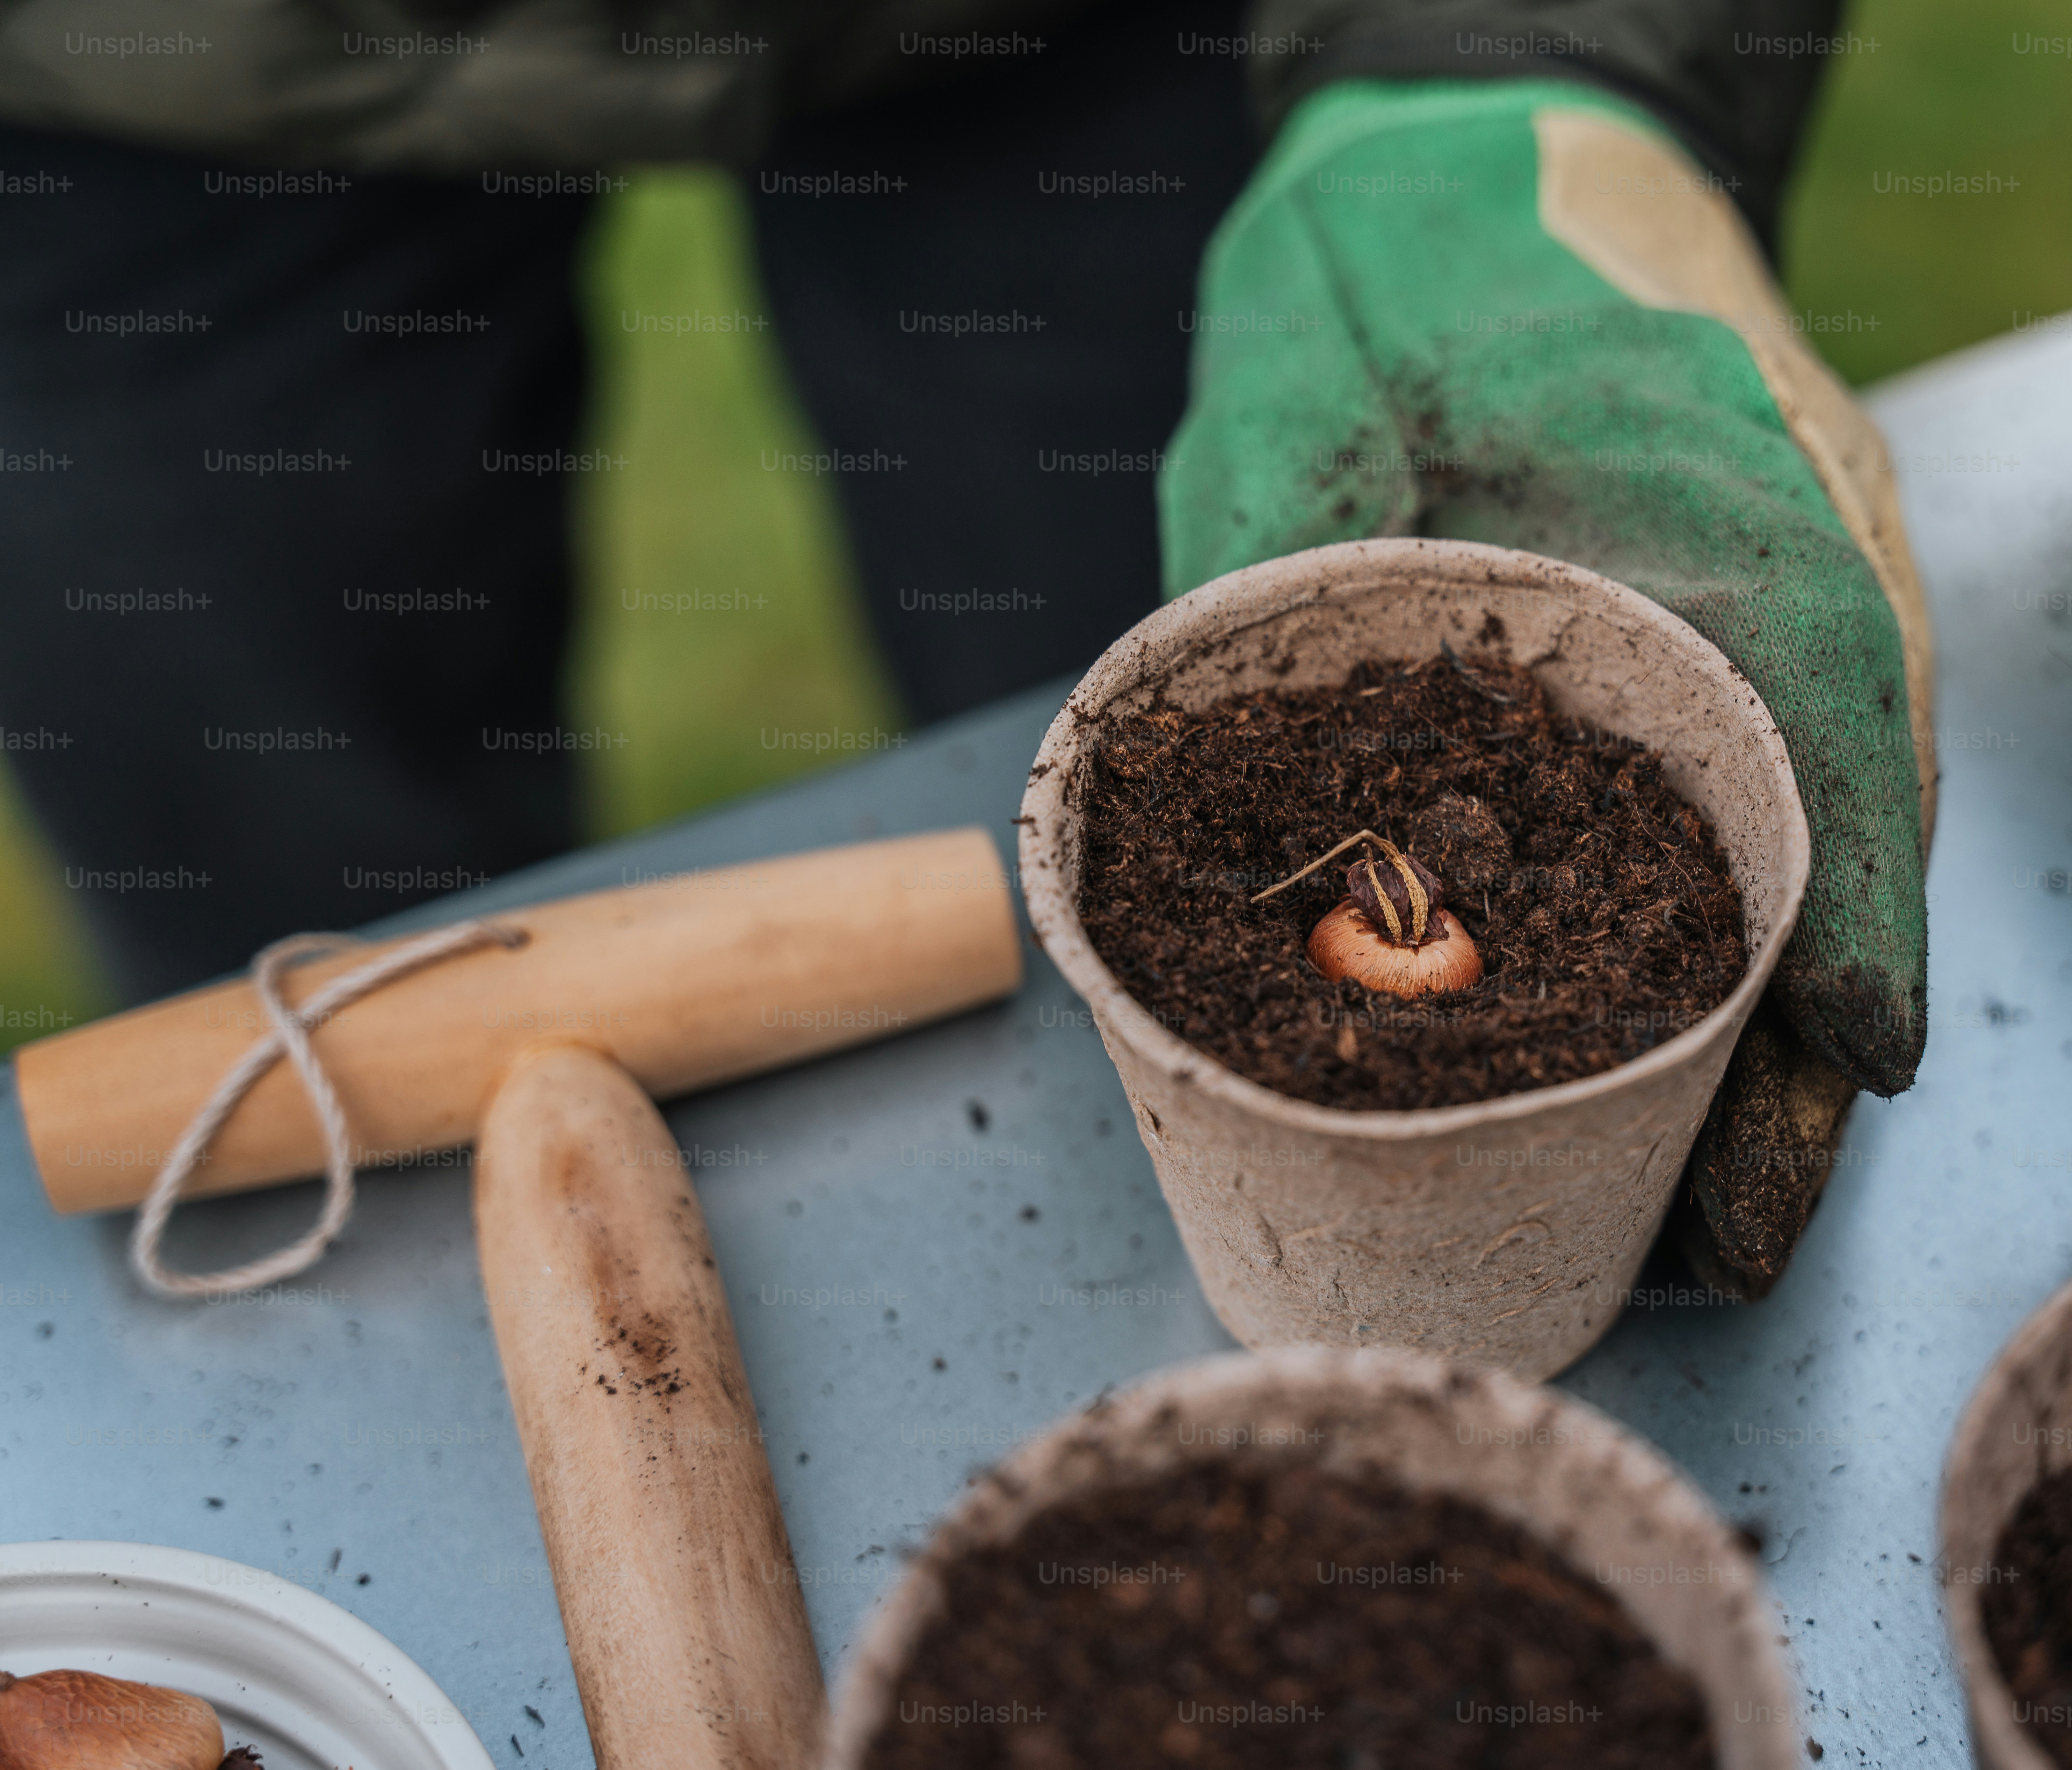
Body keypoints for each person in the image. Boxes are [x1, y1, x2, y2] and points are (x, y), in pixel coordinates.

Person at [0, 0, 1932, 1291]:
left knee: (1152, 663)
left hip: (1045, 49)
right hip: (145, 87)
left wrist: (1519, 49)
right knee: (265, 874)